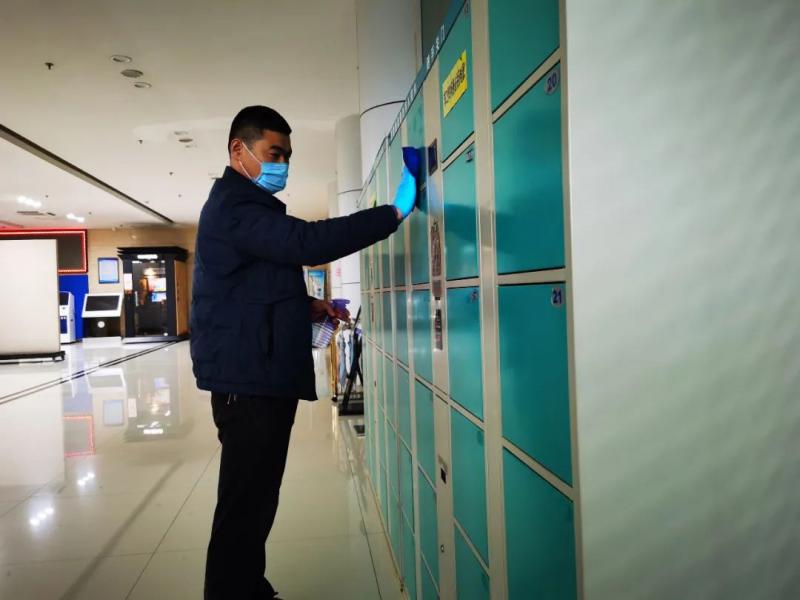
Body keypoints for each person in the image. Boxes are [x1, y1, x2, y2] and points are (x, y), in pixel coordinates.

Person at [190, 105, 417, 600]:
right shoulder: (235, 206)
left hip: (257, 375)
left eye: (287, 156)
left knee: (255, 502)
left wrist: (306, 306)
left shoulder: (245, 206)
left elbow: (247, 287)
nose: (283, 165)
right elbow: (306, 242)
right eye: (274, 154)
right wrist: (393, 212)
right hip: (249, 384)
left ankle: (247, 587)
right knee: (244, 506)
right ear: (238, 149)